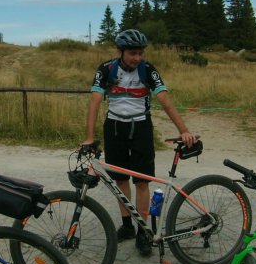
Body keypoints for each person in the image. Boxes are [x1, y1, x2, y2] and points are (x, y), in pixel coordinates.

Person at [83, 29, 195, 243]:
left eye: (140, 53)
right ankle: (127, 226)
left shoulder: (147, 70)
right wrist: (89, 137)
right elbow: (95, 101)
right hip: (114, 128)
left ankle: (143, 231)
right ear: (120, 52)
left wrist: (183, 130)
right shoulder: (106, 69)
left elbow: (164, 100)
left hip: (141, 128)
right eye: (132, 53)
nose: (137, 58)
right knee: (120, 179)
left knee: (142, 182)